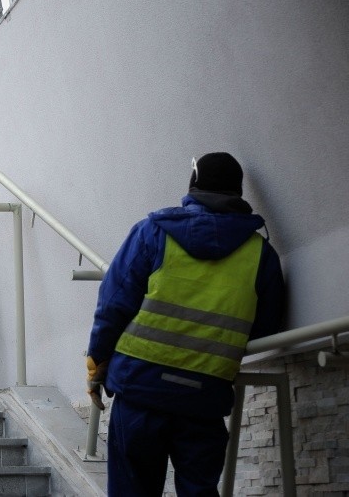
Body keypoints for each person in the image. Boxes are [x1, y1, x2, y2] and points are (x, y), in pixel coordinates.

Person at [86, 152, 285, 496]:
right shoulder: (261, 255)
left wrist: (96, 364)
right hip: (204, 400)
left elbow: (113, 304)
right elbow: (265, 326)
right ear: (237, 194)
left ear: (193, 184)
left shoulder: (153, 232)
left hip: (140, 390)